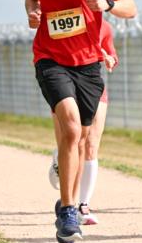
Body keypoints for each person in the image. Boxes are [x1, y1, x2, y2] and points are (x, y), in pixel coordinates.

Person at [25, 0, 136, 243]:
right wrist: (32, 12)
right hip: (50, 58)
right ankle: (70, 211)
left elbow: (130, 7)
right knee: (71, 128)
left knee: (80, 138)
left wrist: (107, 6)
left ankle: (65, 201)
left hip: (88, 64)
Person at [48, 19, 117, 225]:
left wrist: (109, 58)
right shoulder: (62, 19)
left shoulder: (104, 26)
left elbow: (111, 53)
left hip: (93, 86)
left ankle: (82, 205)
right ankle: (60, 161)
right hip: (64, 85)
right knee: (70, 139)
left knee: (90, 145)